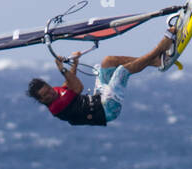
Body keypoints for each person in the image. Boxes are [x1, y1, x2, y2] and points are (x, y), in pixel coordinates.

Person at [26, 31, 175, 126]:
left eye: (49, 90)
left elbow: (68, 85)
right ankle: (160, 48)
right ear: (42, 101)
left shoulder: (56, 92)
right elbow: (78, 88)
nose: (50, 93)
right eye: (46, 96)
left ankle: (156, 62)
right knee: (121, 71)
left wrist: (75, 64)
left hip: (99, 97)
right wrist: (63, 69)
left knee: (108, 61)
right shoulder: (56, 107)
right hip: (107, 109)